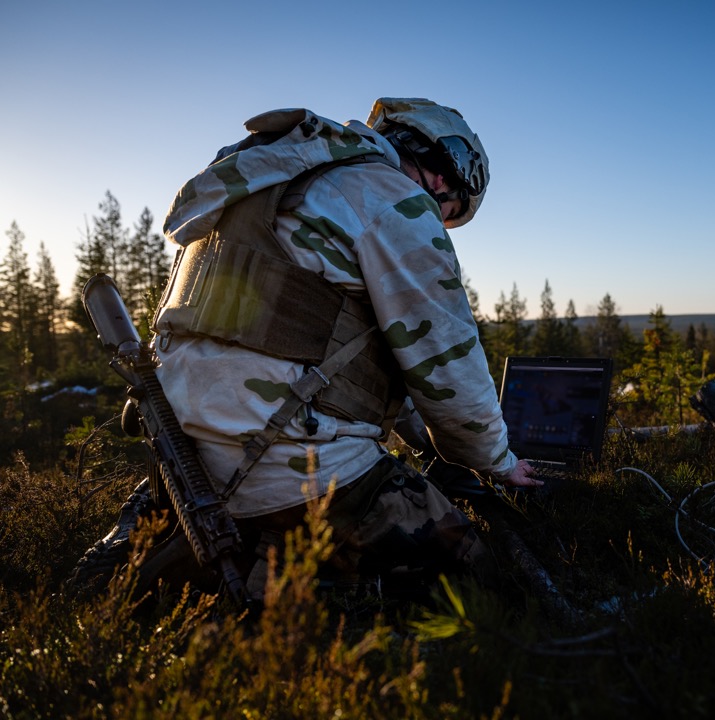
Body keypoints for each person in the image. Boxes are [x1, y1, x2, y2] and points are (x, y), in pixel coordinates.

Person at [73, 98, 539, 600]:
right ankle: (295, 595)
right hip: (290, 466)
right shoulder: (390, 198)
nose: (442, 219)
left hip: (183, 456)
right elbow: (449, 368)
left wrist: (424, 439)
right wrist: (498, 461)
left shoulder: (256, 184)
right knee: (472, 575)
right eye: (452, 214)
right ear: (447, 182)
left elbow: (330, 349)